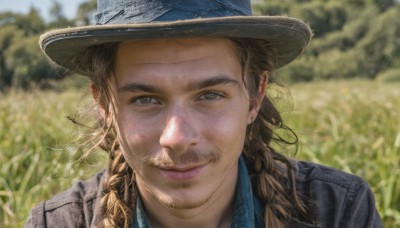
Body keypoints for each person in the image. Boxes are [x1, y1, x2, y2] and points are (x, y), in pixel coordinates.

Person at [25, 0, 383, 227]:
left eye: (210, 95)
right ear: (105, 104)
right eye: (146, 99)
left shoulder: (338, 211)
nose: (178, 137)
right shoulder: (57, 224)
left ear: (255, 96)